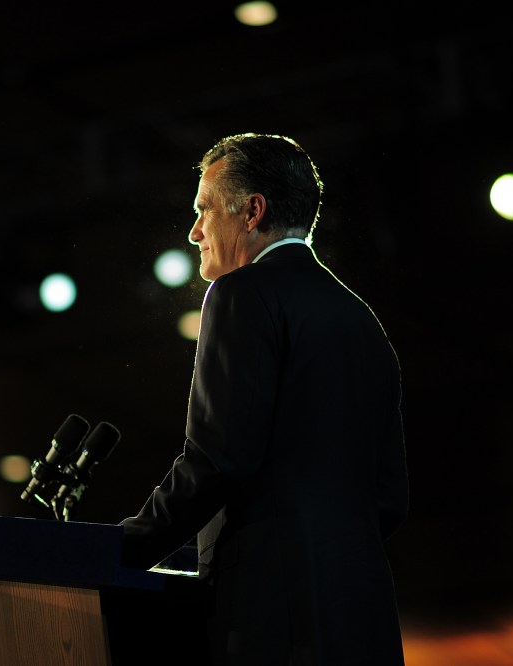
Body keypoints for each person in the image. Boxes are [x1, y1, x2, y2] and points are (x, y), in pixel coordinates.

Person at [118, 132, 409, 665]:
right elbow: (390, 496)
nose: (194, 231)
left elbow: (219, 458)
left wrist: (122, 550)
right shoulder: (364, 323)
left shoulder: (239, 293)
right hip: (363, 614)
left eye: (205, 210)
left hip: (272, 616)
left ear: (252, 211)